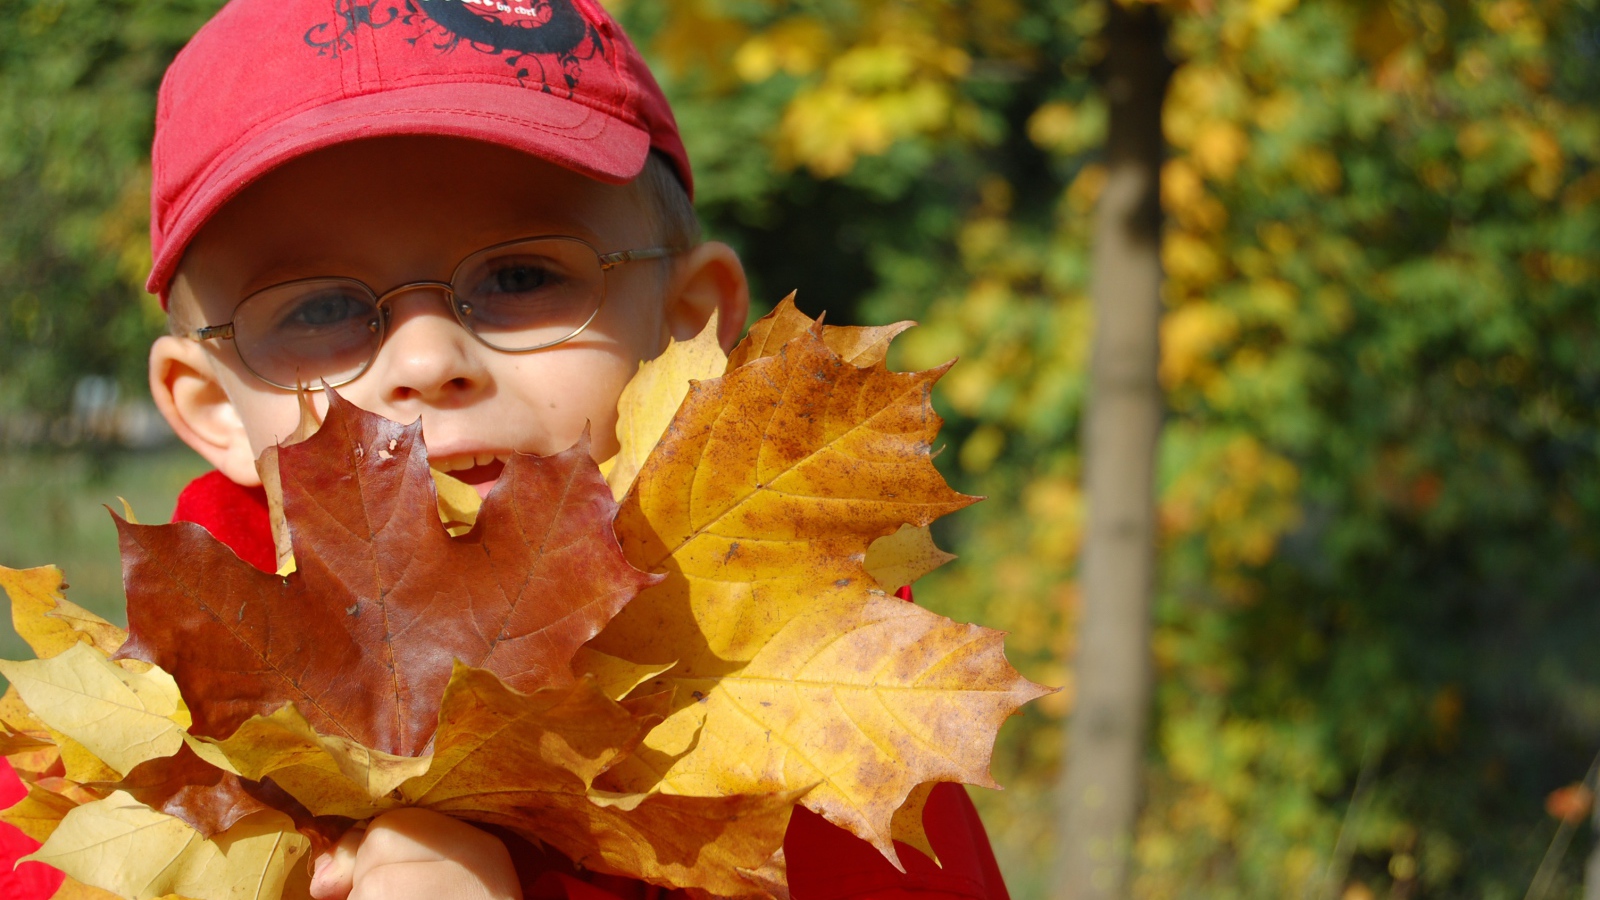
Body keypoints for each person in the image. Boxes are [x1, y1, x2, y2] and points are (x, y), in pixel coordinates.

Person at [0, 1, 1011, 897]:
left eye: (524, 278)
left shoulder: (822, 731)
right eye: (318, 307)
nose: (430, 356)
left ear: (689, 328)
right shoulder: (110, 775)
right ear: (212, 405)